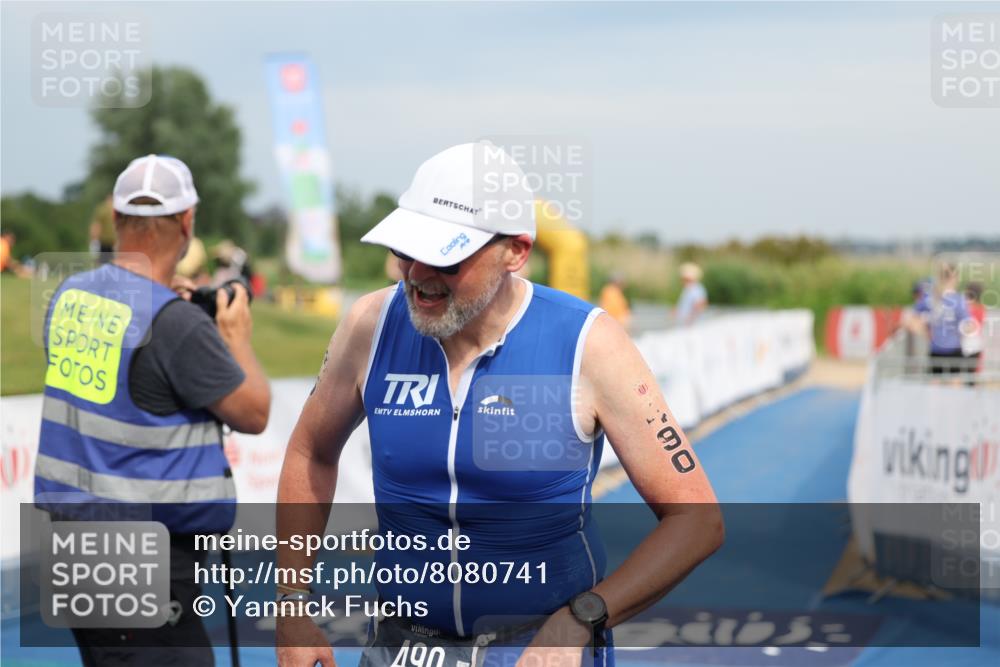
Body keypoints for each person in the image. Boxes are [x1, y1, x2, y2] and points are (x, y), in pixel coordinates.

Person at [275, 143, 722, 667]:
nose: (418, 274)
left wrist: (584, 617)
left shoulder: (589, 344)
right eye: (405, 251)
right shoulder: (370, 324)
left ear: (516, 251)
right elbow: (311, 451)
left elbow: (697, 520)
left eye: (446, 255)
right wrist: (292, 604)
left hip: (534, 650)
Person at [34, 154, 271, 666]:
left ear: (117, 219)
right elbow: (253, 412)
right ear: (187, 223)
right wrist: (235, 337)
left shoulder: (69, 297)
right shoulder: (176, 325)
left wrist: (168, 303)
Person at [915, 262, 973, 375]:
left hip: (935, 349)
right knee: (954, 387)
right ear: (954, 278)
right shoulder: (958, 300)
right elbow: (968, 326)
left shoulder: (930, 298)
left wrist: (926, 333)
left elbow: (910, 319)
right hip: (953, 349)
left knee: (935, 388)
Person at [89, 195, 117, 264]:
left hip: (105, 242)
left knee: (103, 263)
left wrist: (94, 241)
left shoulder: (102, 209)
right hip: (114, 241)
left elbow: (96, 226)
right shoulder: (118, 210)